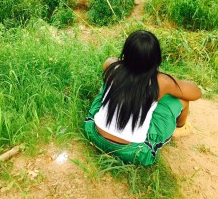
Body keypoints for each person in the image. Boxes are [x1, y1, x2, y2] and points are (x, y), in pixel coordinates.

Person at [84, 30, 202, 166]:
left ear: (126, 52)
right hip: (134, 152)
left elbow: (123, 70)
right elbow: (196, 93)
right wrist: (172, 82)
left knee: (106, 86)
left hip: (93, 133)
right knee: (182, 100)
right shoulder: (161, 81)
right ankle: (180, 127)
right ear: (156, 58)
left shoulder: (112, 65)